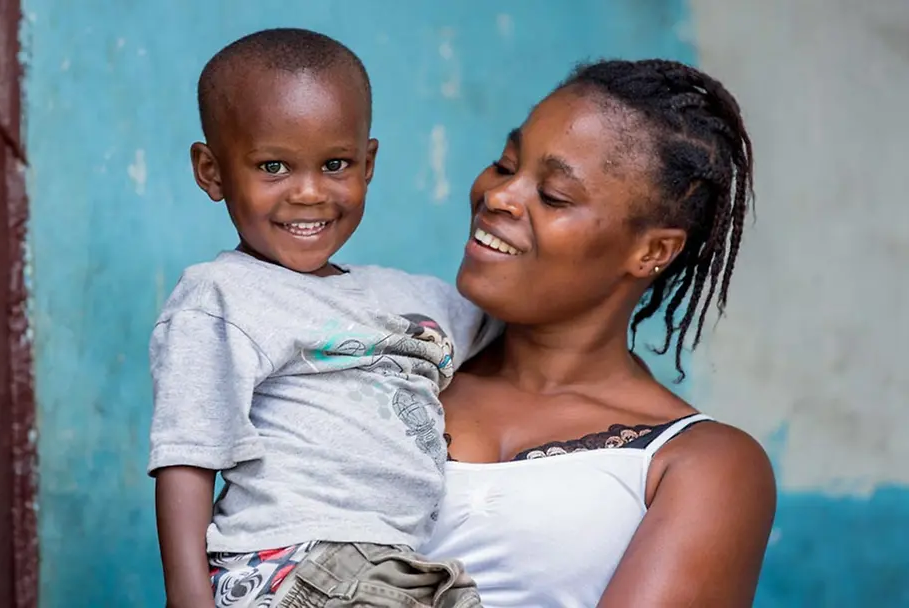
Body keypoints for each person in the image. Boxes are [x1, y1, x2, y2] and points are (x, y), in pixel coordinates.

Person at [148, 29, 490, 608]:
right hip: (293, 563)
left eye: (336, 164)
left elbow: (531, 322)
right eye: (273, 166)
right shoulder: (223, 294)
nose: (309, 193)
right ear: (212, 171)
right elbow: (188, 453)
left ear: (369, 162)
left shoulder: (417, 299)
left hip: (403, 571)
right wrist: (188, 599)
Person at [422, 59, 776, 607]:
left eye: (555, 196)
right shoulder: (394, 370)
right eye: (504, 164)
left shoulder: (698, 465)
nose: (499, 196)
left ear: (651, 251)